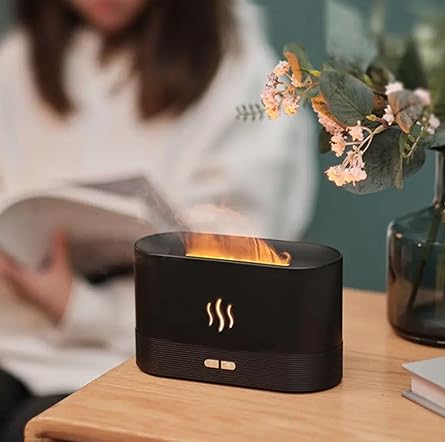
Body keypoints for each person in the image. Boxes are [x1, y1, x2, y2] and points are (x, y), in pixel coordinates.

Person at [0, 0, 316, 439]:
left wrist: (79, 307)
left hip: (144, 359)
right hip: (14, 337)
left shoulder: (241, 77)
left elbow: (234, 281)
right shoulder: (18, 60)